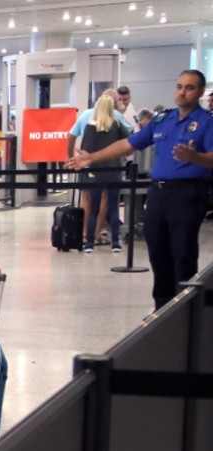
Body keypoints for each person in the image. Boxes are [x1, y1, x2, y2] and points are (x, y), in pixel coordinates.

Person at [67, 70, 213, 310]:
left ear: (199, 92)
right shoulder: (163, 119)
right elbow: (127, 143)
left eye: (189, 87)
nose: (182, 92)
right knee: (157, 250)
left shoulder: (207, 122)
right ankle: (162, 308)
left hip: (187, 193)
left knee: (183, 252)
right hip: (158, 193)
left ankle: (185, 310)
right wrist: (92, 157)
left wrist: (196, 157)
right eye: (179, 86)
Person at [67, 89, 135, 246]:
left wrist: (71, 157)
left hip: (90, 167)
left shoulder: (87, 119)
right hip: (112, 167)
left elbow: (74, 139)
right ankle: (97, 234)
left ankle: (85, 234)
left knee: (87, 199)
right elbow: (130, 141)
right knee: (106, 200)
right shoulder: (117, 119)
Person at [78, 95, 129, 254]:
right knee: (113, 208)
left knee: (93, 208)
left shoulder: (90, 127)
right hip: (114, 171)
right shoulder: (117, 125)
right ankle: (115, 243)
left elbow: (86, 150)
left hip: (95, 171)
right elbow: (128, 143)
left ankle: (89, 244)